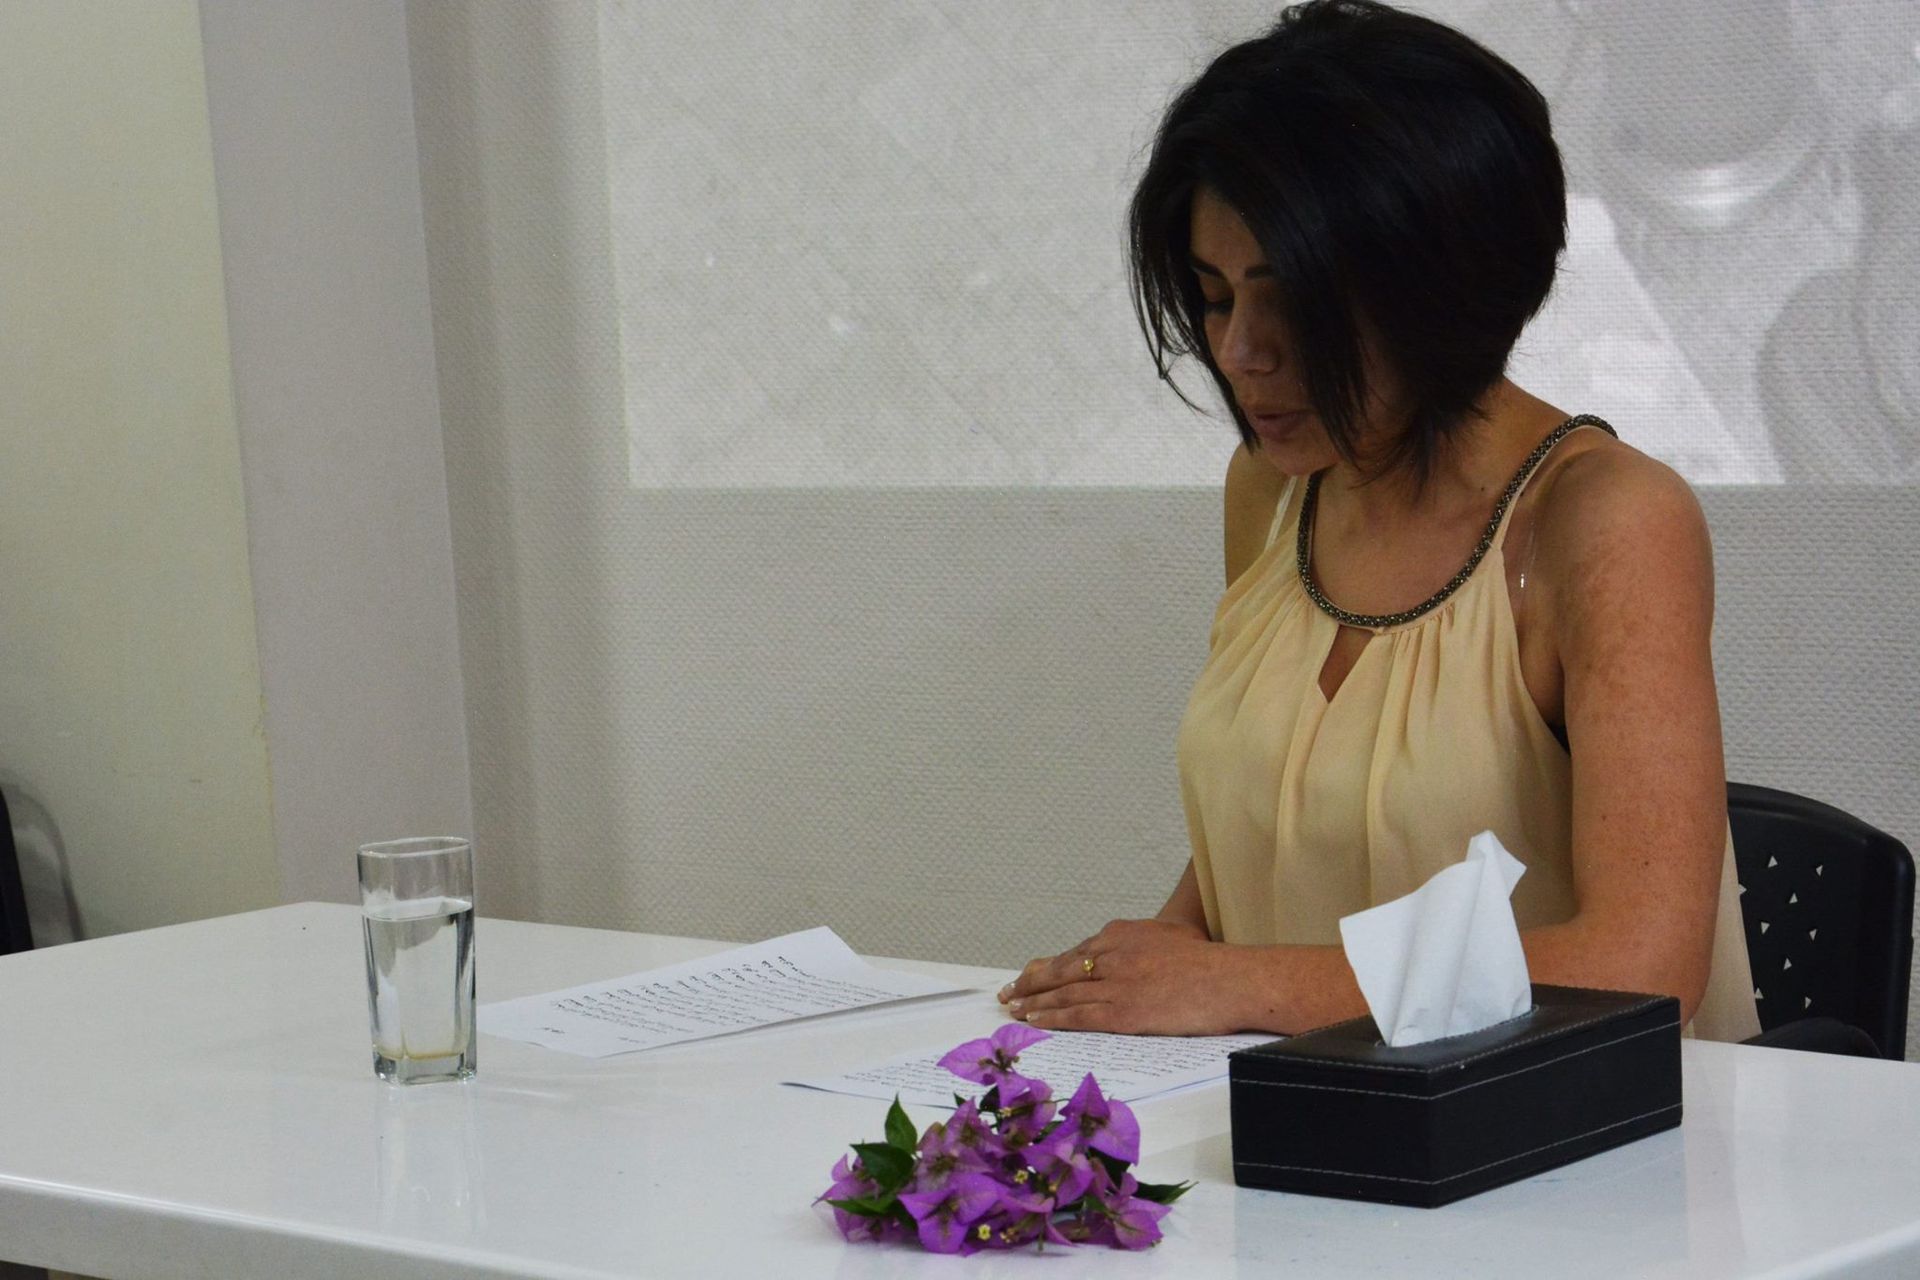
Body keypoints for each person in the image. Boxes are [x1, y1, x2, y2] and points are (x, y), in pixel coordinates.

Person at [998, 0, 1760, 1043]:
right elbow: (1293, 803)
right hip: (1318, 1109)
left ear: (1438, 286)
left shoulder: (1608, 519)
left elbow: (1643, 966)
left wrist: (1237, 984)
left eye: (1290, 299)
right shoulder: (1270, 489)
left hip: (1575, 1129)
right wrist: (1154, 957)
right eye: (1215, 297)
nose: (1241, 353)